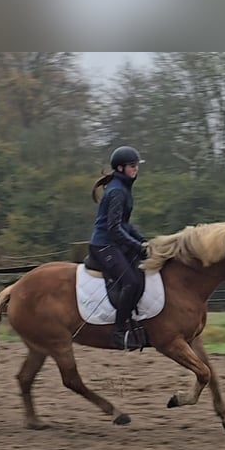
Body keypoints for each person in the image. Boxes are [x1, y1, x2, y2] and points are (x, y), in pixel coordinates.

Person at [89, 146, 149, 350]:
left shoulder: (122, 188)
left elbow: (125, 224)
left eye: (136, 166)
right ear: (121, 168)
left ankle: (135, 323)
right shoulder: (116, 191)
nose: (136, 170)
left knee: (139, 273)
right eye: (132, 166)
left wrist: (143, 241)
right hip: (104, 245)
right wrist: (137, 246)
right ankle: (118, 332)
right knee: (130, 282)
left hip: (114, 242)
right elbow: (114, 229)